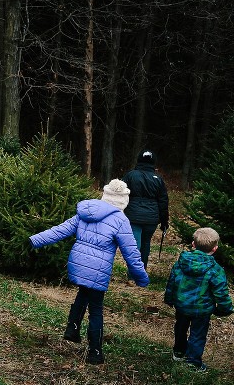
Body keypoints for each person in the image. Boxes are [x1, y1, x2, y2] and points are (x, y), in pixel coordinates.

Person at [29, 179, 150, 365]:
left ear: (105, 195)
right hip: (98, 270)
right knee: (96, 309)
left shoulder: (86, 211)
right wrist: (141, 277)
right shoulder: (120, 220)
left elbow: (60, 230)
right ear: (124, 201)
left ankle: (72, 328)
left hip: (78, 264)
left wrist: (34, 240)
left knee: (83, 292)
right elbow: (131, 253)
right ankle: (95, 352)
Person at [164, 227, 233, 373]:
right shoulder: (215, 270)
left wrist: (169, 299)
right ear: (215, 248)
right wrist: (224, 309)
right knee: (198, 334)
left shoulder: (181, 263)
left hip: (181, 305)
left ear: (193, 244)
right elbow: (221, 293)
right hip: (202, 310)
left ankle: (179, 352)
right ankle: (193, 362)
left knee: (180, 327)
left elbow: (172, 282)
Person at [122, 150, 169, 269]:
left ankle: (133, 276)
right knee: (145, 243)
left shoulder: (130, 175)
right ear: (153, 162)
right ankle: (142, 272)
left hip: (133, 217)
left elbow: (120, 194)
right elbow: (163, 202)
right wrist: (164, 222)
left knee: (135, 245)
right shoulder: (158, 179)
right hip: (151, 219)